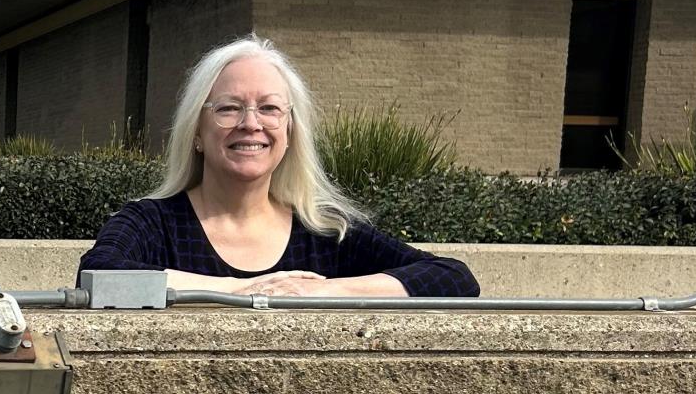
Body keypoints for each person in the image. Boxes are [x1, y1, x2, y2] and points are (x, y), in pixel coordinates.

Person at [79, 37, 478, 297]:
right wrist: (239, 290)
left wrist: (321, 292)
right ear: (196, 132)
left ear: (289, 132)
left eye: (269, 108)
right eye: (229, 108)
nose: (251, 123)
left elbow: (453, 279)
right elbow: (98, 275)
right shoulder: (151, 224)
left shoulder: (324, 232)